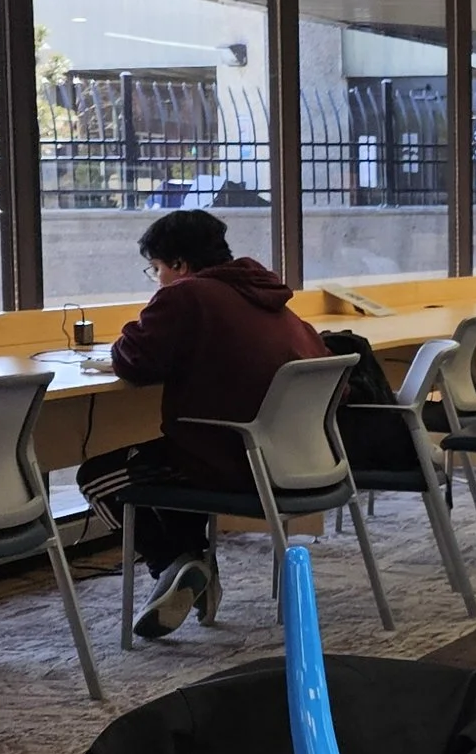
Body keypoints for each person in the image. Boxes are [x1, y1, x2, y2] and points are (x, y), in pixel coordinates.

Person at [77, 208, 326, 640]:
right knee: (166, 454)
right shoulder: (268, 296)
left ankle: (177, 563)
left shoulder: (186, 295)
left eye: (155, 269)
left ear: (179, 264)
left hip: (232, 461)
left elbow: (133, 361)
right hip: (296, 460)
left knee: (97, 476)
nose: (156, 279)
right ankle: (192, 564)